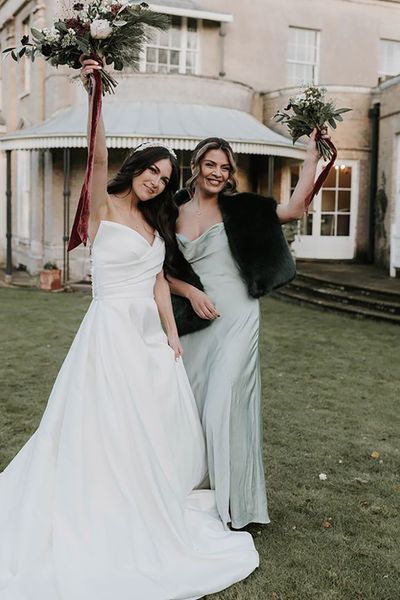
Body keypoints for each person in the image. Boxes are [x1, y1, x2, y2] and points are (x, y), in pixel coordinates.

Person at [0, 60, 259, 600]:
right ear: (135, 166)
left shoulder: (155, 221)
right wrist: (95, 89)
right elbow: (95, 155)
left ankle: (146, 496)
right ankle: (99, 504)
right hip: (109, 332)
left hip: (147, 336)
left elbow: (158, 282)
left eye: (165, 178)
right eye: (151, 171)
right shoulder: (102, 208)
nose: (156, 180)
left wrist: (169, 335)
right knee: (104, 425)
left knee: (152, 423)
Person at [167, 134, 326, 529]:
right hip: (195, 318)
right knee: (195, 405)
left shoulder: (243, 208)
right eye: (211, 165)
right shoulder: (171, 210)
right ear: (197, 165)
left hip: (238, 316)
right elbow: (159, 270)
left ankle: (239, 505)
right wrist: (189, 291)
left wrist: (311, 158)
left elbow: (294, 208)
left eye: (225, 168)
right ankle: (196, 495)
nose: (218, 173)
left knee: (226, 402)